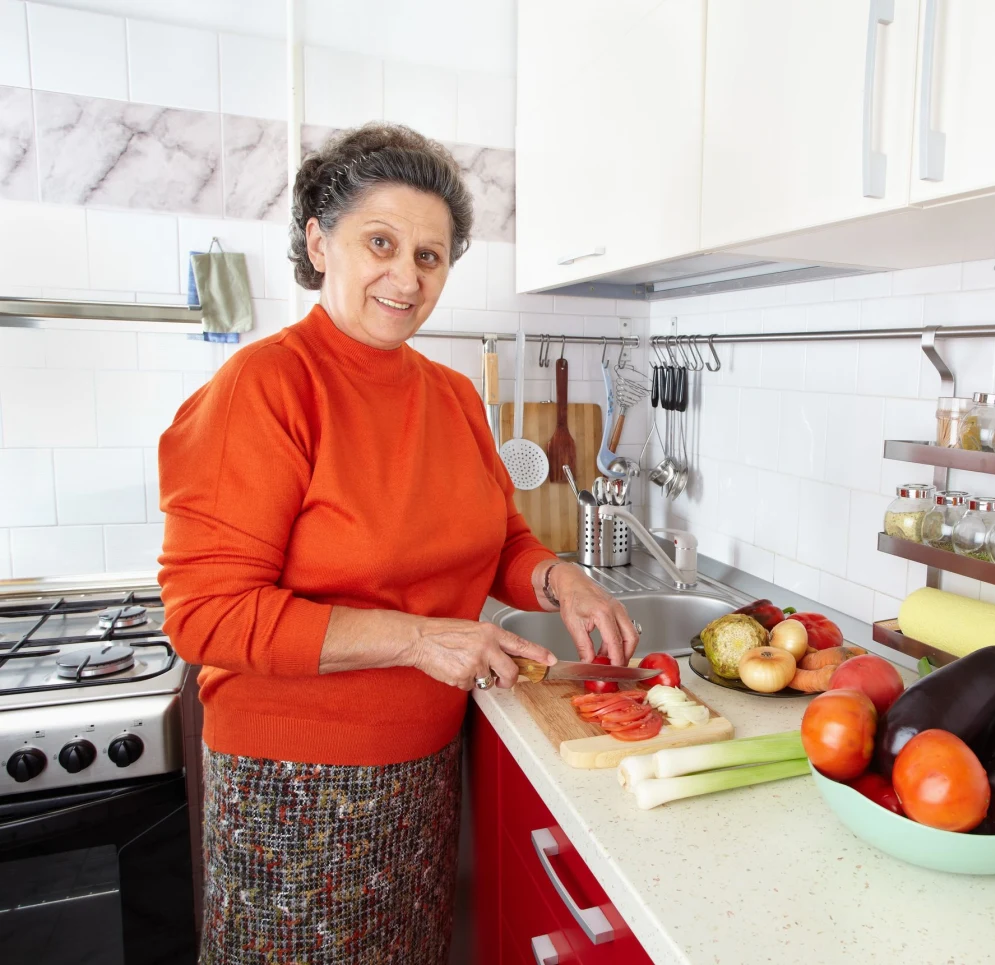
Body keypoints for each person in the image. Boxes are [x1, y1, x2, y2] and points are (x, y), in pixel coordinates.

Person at [158, 122, 638, 964]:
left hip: (420, 774)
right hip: (293, 790)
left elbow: (496, 540)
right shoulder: (265, 386)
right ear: (319, 242)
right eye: (380, 242)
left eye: (430, 255)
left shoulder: (451, 396)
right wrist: (417, 637)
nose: (405, 275)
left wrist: (561, 577)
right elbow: (207, 617)